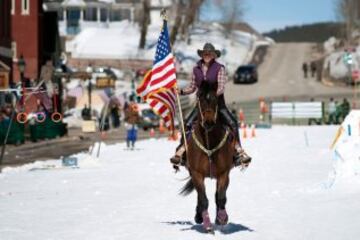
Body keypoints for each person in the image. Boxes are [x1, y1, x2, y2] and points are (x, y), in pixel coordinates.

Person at [170, 43, 251, 167]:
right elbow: (192, 87)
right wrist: (181, 91)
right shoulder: (196, 69)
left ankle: (239, 152)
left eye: (209, 53)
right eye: (205, 53)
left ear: (213, 55)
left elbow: (221, 87)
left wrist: (212, 95)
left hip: (217, 103)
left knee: (233, 123)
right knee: (187, 123)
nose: (207, 55)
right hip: (201, 105)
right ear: (202, 55)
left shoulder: (220, 68)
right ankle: (182, 151)